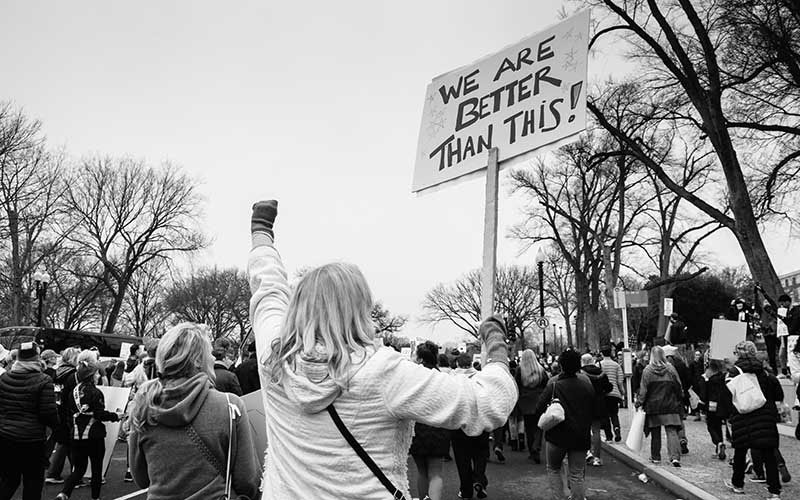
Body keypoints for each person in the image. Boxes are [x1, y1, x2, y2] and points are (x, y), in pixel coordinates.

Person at [248, 200, 517, 500]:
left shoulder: (275, 358)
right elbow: (488, 403)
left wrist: (261, 236)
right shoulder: (381, 371)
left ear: (297, 308)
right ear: (359, 309)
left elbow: (267, 289)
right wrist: (495, 344)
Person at [128, 322, 260, 499]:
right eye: (209, 353)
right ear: (197, 360)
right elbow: (248, 480)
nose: (213, 358)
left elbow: (142, 479)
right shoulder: (230, 406)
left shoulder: (144, 405)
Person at [55, 351, 122, 500]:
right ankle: (95, 497)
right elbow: (99, 414)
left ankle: (64, 493)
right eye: (97, 374)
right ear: (92, 376)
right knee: (97, 470)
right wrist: (116, 416)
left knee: (78, 469)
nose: (98, 376)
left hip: (76, 435)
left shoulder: (73, 391)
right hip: (94, 435)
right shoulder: (96, 393)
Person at [724, 341, 783, 499]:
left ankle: (738, 485)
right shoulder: (764, 371)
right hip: (764, 418)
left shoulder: (734, 372)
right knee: (768, 455)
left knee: (740, 453)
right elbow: (777, 394)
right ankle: (774, 491)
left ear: (738, 354)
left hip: (743, 417)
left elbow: (727, 395)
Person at [0, 342, 59, 500]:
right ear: (37, 358)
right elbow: (48, 413)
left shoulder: (4, 378)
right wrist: (58, 429)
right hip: (31, 440)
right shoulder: (44, 380)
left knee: (8, 481)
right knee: (32, 485)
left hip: (6, 437)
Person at [532, 349, 594, 500]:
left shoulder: (554, 385)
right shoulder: (586, 384)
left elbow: (539, 408)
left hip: (557, 435)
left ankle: (559, 497)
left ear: (561, 365)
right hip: (580, 435)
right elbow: (594, 410)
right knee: (577, 474)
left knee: (553, 469)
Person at [409, 342, 451, 500]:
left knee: (421, 472)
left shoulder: (413, 378)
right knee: (436, 474)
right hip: (439, 427)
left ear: (419, 358)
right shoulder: (443, 378)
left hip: (418, 428)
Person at [451, 353, 491, 499]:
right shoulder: (481, 377)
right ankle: (480, 479)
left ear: (458, 364)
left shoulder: (452, 379)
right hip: (481, 421)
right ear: (471, 363)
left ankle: (466, 489)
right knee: (481, 454)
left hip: (460, 424)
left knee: (463, 459)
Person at [637, 346, 684, 467]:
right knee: (672, 431)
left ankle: (656, 457)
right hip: (670, 404)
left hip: (654, 406)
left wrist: (640, 402)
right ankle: (675, 457)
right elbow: (678, 385)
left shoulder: (647, 370)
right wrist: (679, 398)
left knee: (655, 433)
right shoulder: (670, 369)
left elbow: (643, 390)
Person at [45, 347, 81, 485]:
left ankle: (74, 473)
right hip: (66, 411)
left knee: (65, 442)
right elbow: (73, 394)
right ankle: (56, 473)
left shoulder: (57, 371)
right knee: (66, 442)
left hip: (56, 407)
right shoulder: (72, 374)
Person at [696, 359, 732, 460]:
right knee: (719, 426)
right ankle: (720, 445)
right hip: (723, 407)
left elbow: (704, 395)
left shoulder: (710, 381)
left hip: (711, 406)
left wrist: (701, 407)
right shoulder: (724, 379)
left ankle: (718, 443)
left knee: (711, 426)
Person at [515, 349, 548, 463]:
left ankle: (531, 450)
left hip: (525, 401)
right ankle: (537, 446)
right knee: (539, 426)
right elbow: (546, 385)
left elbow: (517, 385)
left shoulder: (520, 370)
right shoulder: (541, 370)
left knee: (528, 427)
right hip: (539, 400)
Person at [581, 353, 613, 466]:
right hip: (599, 403)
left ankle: (587, 453)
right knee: (596, 431)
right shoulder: (601, 372)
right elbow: (609, 387)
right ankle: (597, 457)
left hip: (584, 403)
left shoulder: (581, 374)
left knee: (584, 430)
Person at [663, 345, 691, 454]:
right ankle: (682, 438)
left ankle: (674, 446)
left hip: (667, 398)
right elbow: (688, 379)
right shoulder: (682, 365)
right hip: (680, 396)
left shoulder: (664, 367)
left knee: (670, 424)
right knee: (680, 420)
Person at [599, 345, 625, 442]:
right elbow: (619, 381)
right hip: (615, 393)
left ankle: (609, 436)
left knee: (605, 416)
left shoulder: (599, 365)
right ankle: (617, 430)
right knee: (614, 414)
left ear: (602, 353)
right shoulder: (616, 365)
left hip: (604, 394)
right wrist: (622, 392)